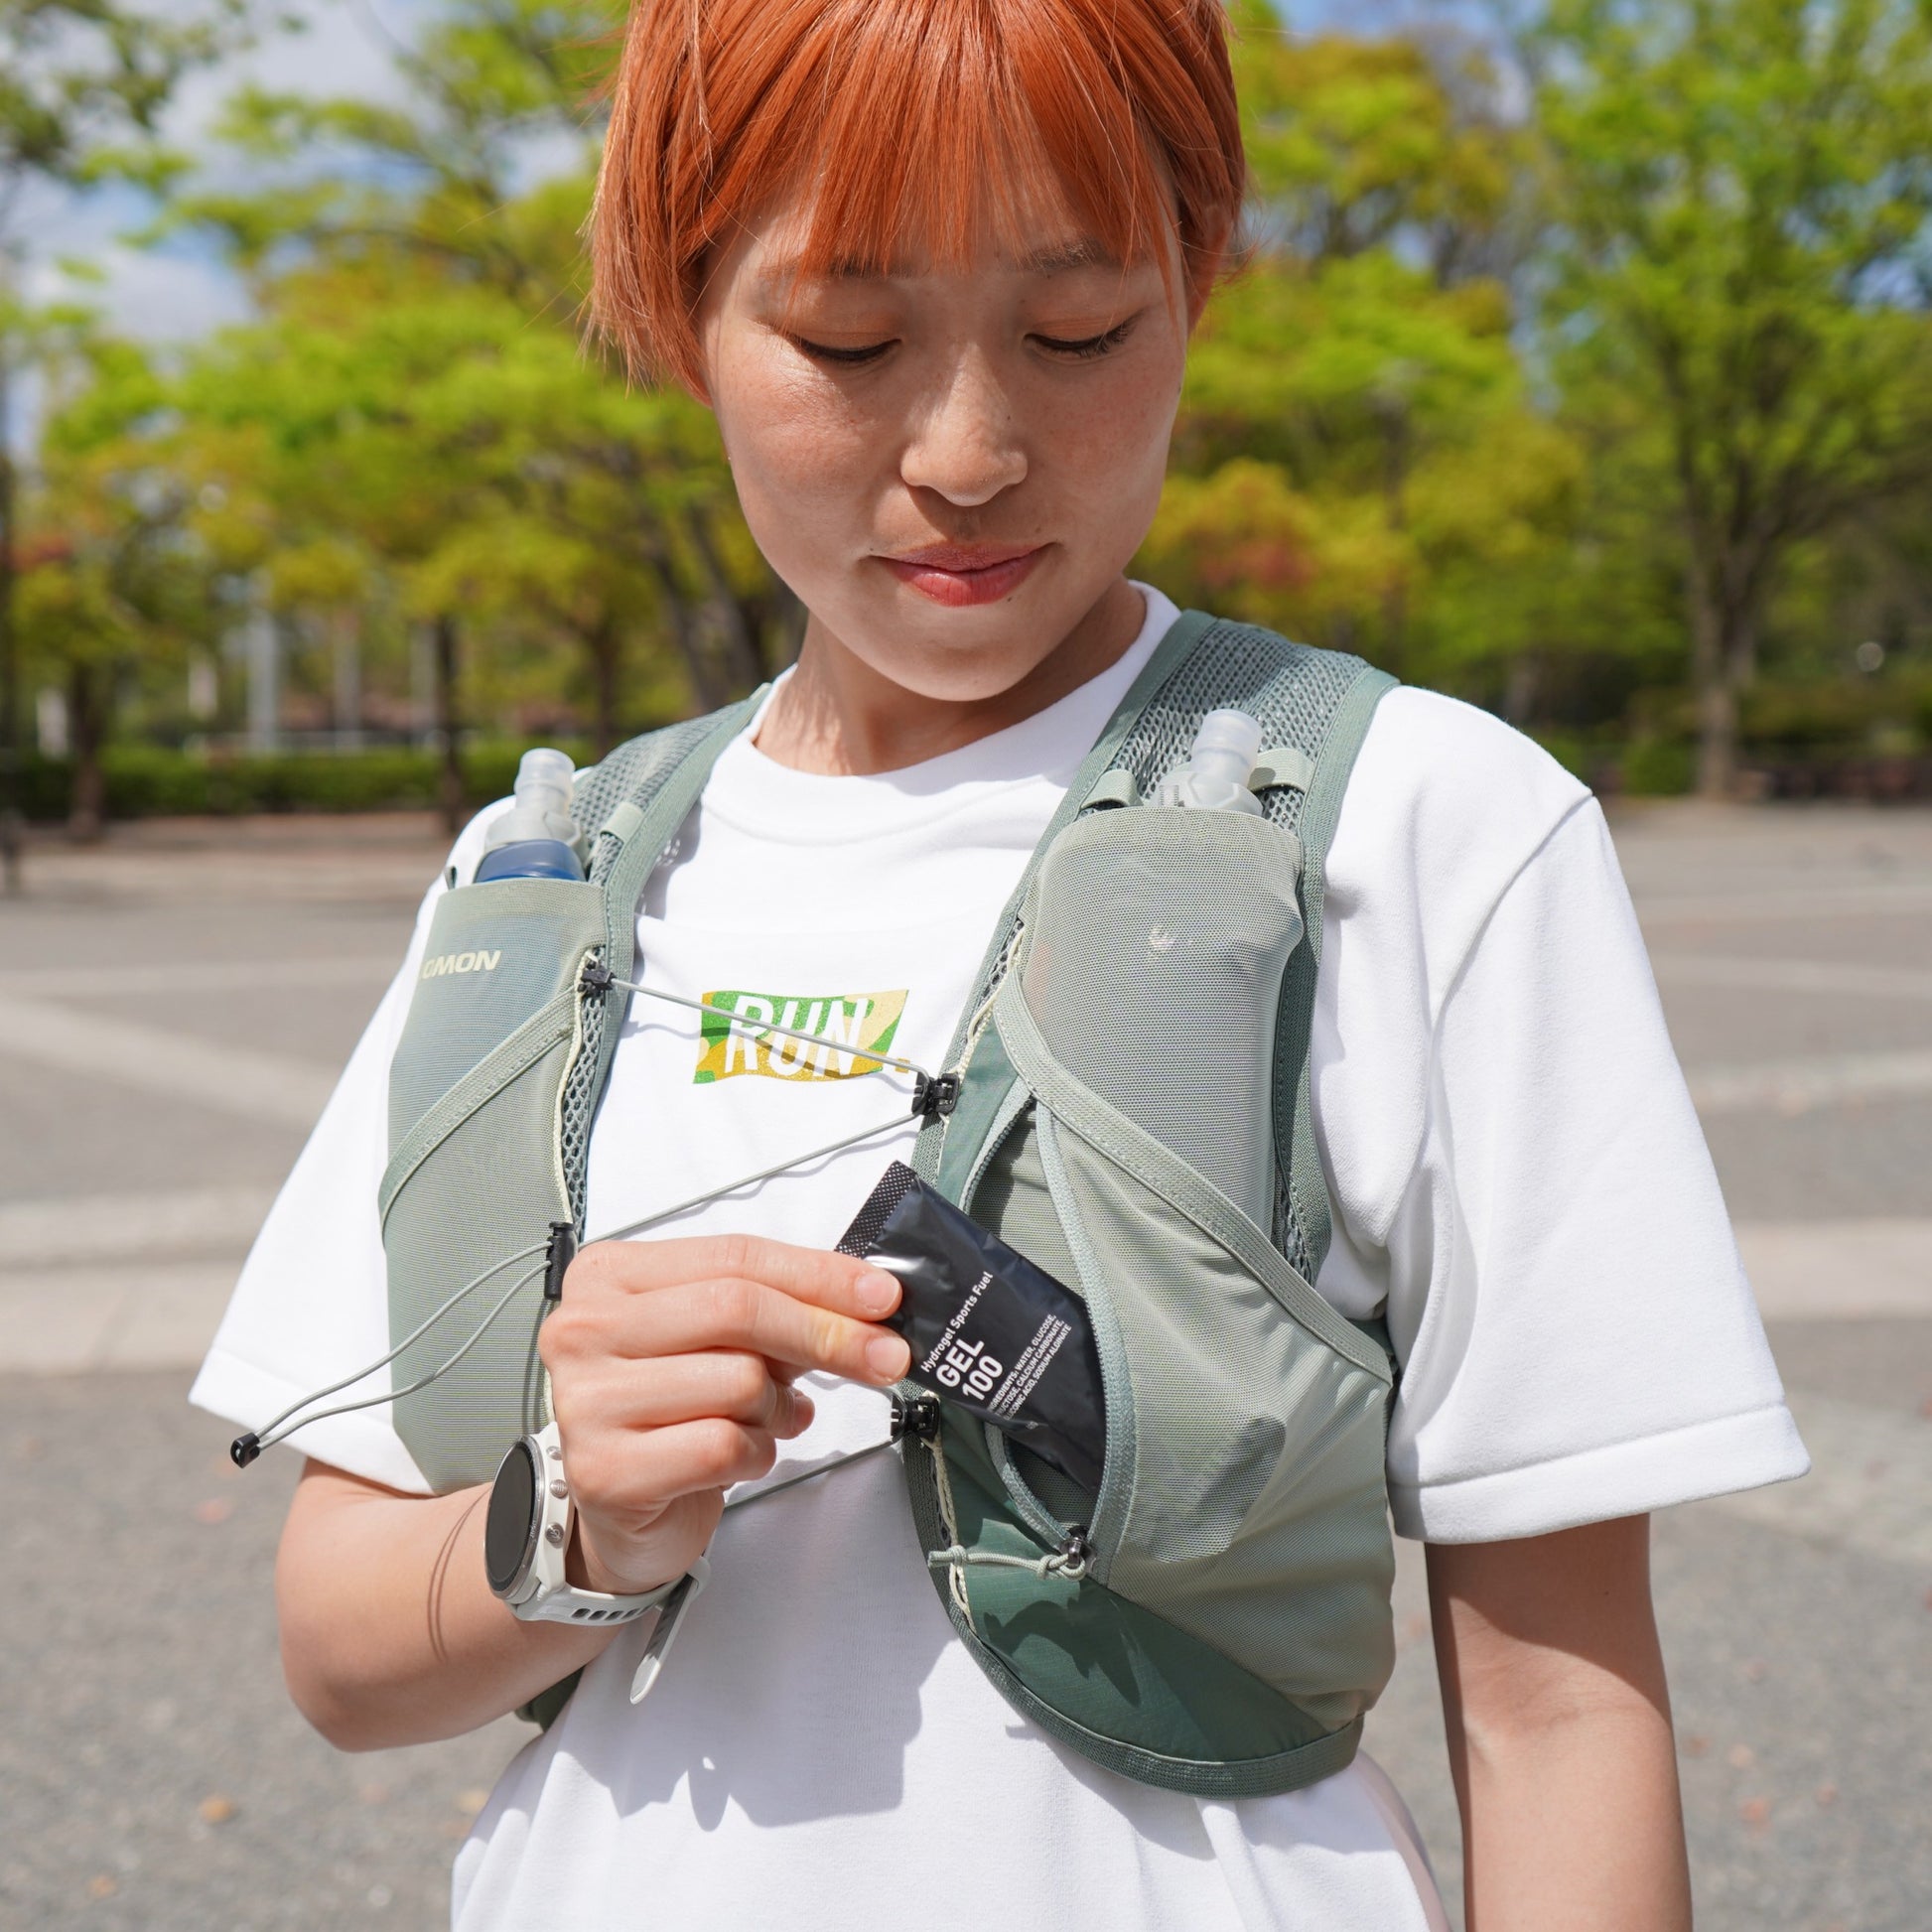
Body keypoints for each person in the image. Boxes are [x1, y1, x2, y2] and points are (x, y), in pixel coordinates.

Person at [191, 1, 1808, 1925]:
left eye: (1079, 329)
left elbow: (1557, 1707)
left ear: (1197, 277)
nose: (966, 453)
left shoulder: (1422, 823)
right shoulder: (540, 878)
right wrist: (580, 1515)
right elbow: (342, 1649)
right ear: (677, 311)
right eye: (845, 341)